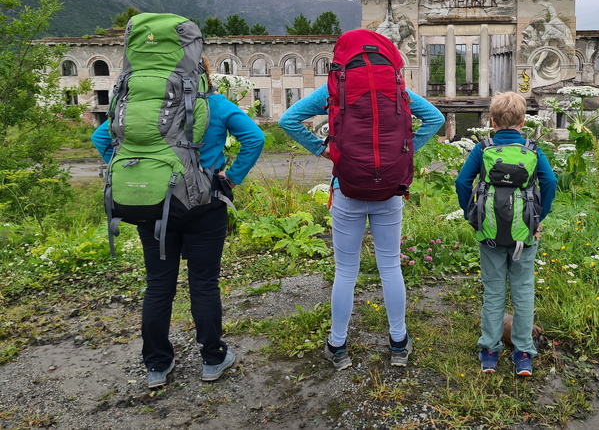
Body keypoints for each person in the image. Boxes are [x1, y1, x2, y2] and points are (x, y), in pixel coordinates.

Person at [92, 58, 264, 388]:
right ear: (200, 72)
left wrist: (135, 176)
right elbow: (255, 138)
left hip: (153, 207)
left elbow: (101, 138)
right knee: (203, 283)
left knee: (158, 285)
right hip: (206, 206)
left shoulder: (139, 108)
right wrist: (231, 178)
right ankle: (212, 359)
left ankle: (157, 365)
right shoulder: (213, 103)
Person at [278, 48, 444, 371]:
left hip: (346, 189)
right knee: (390, 267)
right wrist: (404, 153)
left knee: (346, 271)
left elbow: (288, 120)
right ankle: (398, 344)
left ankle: (337, 346)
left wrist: (325, 150)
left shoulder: (335, 88)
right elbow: (435, 118)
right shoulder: (396, 89)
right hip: (389, 191)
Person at [454, 91, 557, 376]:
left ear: (492, 120)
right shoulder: (533, 150)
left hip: (488, 234)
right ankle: (523, 352)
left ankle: (489, 350)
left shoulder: (483, 149)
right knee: (523, 290)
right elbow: (550, 182)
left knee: (494, 291)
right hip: (525, 234)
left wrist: (471, 214)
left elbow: (462, 182)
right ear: (523, 121)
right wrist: (539, 218)